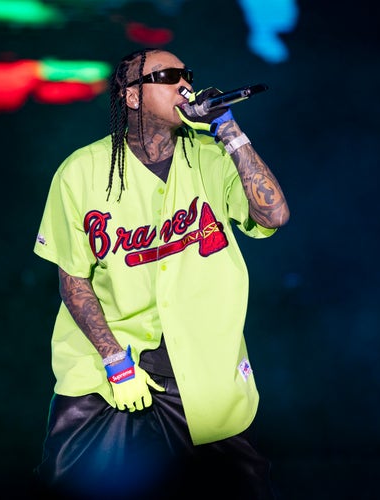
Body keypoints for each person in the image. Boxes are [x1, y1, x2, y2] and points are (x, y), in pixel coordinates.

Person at [31, 48, 289, 499]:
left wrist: (229, 130)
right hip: (106, 373)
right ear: (131, 96)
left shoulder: (212, 156)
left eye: (186, 74)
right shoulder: (80, 172)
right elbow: (73, 279)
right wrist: (114, 360)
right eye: (167, 76)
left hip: (203, 375)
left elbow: (274, 215)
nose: (184, 84)